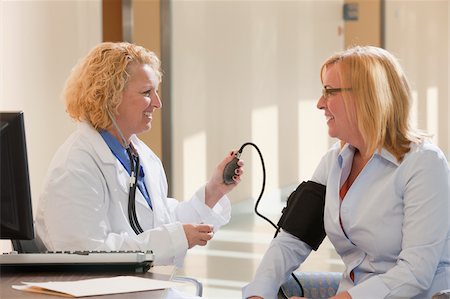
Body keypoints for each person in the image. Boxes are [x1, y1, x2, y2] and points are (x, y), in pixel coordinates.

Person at [243, 46, 449, 299]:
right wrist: (258, 293)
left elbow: (415, 273)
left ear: (368, 96)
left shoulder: (424, 163)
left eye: (329, 92)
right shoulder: (334, 160)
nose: (320, 104)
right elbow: (292, 239)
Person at [35, 42, 244, 267]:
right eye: (146, 93)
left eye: (156, 91)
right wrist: (174, 238)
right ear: (110, 98)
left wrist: (213, 191)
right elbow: (84, 255)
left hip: (141, 283)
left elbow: (159, 220)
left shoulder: (138, 153)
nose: (157, 103)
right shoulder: (76, 166)